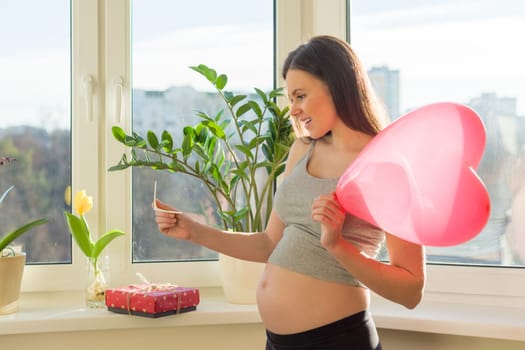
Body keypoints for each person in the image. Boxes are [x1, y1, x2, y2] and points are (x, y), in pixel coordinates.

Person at [154, 35, 426, 350]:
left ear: (337, 87)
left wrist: (338, 246)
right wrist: (194, 232)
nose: (293, 111)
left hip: (339, 341)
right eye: (290, 99)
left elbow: (411, 291)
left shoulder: (386, 167)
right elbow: (269, 243)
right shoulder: (302, 150)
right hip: (277, 342)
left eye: (300, 96)